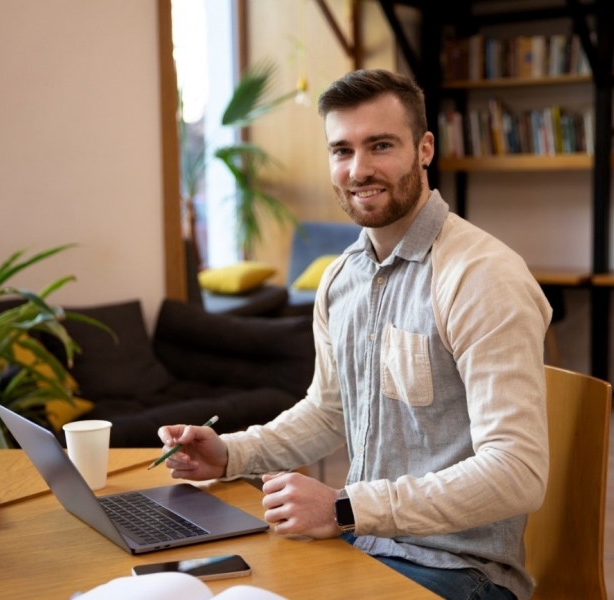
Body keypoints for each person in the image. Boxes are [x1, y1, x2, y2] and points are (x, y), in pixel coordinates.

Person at [157, 69, 552, 600]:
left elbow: (517, 471)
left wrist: (345, 508)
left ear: (425, 149)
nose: (359, 169)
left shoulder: (482, 277)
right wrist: (229, 453)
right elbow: (328, 411)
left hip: (461, 571)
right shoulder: (341, 279)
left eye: (381, 145)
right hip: (361, 545)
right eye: (342, 150)